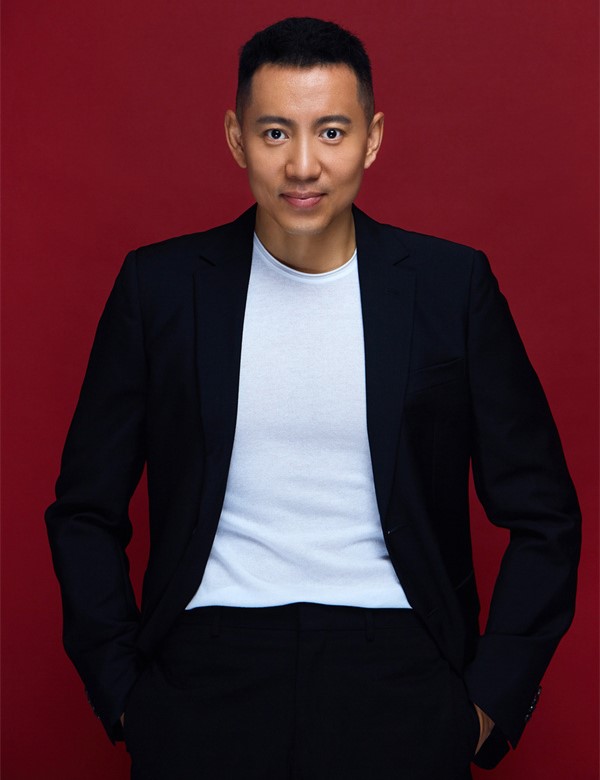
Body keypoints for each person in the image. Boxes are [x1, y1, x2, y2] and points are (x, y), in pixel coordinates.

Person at [45, 17, 581, 780]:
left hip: (401, 671)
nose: (303, 165)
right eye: (275, 133)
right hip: (204, 675)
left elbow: (544, 512)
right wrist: (126, 695)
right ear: (236, 139)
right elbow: (84, 509)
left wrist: (487, 702)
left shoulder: (450, 288)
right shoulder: (159, 288)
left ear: (372, 138)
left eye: (331, 132)